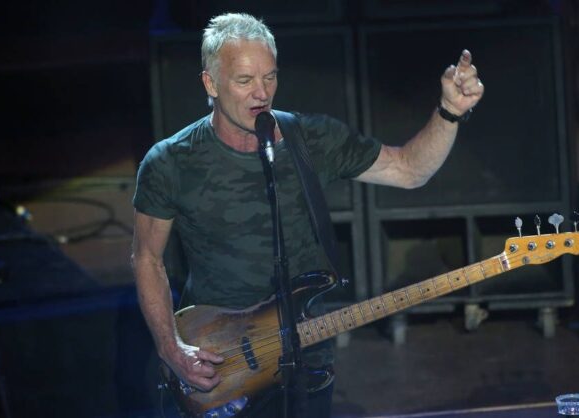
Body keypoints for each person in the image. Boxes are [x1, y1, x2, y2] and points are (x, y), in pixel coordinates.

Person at [132, 12, 483, 417]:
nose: (261, 93)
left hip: (305, 359)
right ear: (211, 84)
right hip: (219, 363)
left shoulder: (310, 139)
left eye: (270, 77)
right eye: (244, 81)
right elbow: (146, 258)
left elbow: (409, 170)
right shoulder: (170, 162)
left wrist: (449, 112)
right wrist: (170, 347)